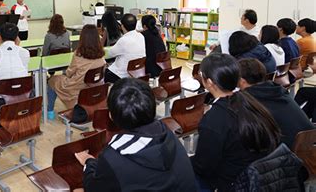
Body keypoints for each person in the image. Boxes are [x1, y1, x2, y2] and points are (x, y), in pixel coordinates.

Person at [75, 78, 197, 191]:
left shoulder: (114, 156)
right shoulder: (167, 133)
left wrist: (89, 162)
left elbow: (93, 187)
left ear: (111, 115)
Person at [191, 53, 280, 192]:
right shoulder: (249, 101)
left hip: (236, 183)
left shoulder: (214, 120)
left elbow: (203, 168)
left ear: (208, 82)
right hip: (261, 174)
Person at [238, 58, 313, 147]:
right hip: (309, 143)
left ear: (242, 81)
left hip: (289, 152)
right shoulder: (277, 90)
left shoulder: (251, 100)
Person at [48, 25, 106, 120]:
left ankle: (49, 111)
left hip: (75, 87)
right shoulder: (101, 55)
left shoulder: (78, 54)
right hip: (91, 89)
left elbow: (69, 73)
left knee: (52, 80)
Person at [0, 23, 30, 127]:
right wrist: (17, 45)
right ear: (17, 37)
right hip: (23, 96)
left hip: (1, 100)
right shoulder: (25, 52)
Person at [105, 14, 146, 83]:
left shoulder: (124, 40)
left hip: (121, 75)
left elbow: (109, 54)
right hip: (136, 72)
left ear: (122, 26)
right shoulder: (141, 36)